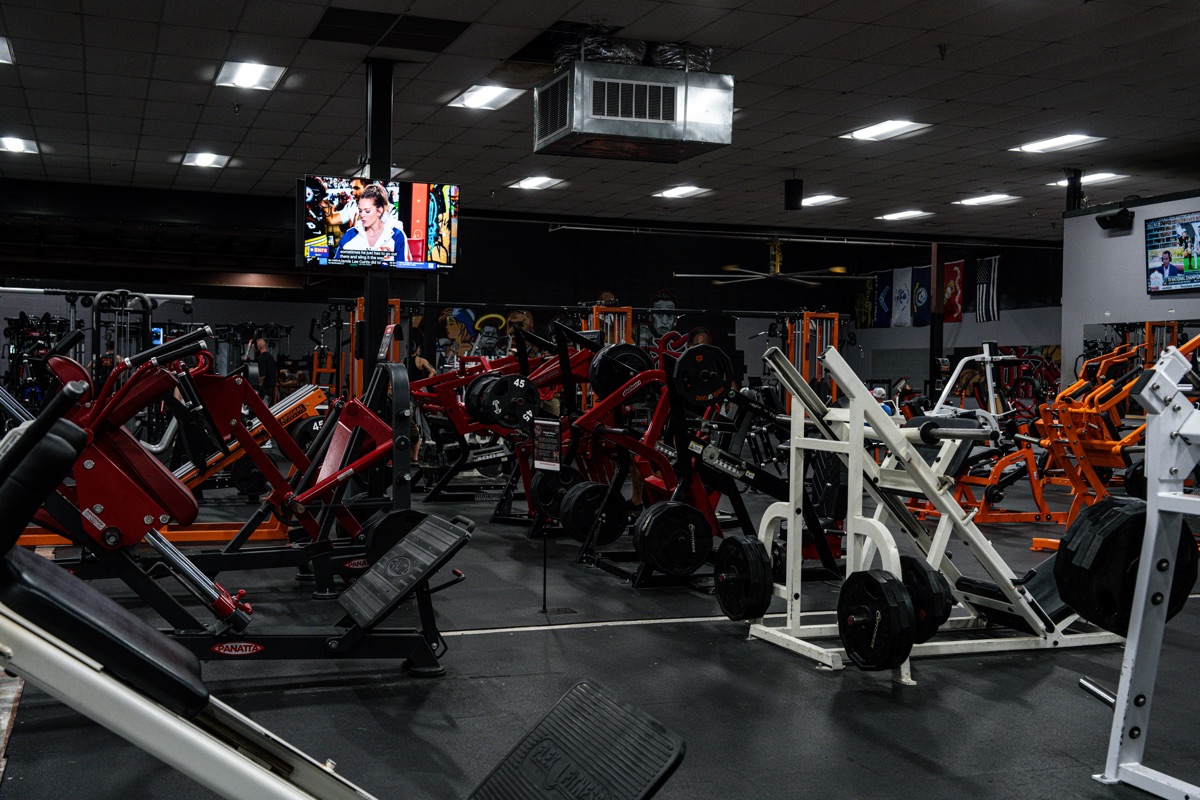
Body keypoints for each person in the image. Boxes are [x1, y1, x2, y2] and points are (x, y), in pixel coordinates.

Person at [333, 183, 412, 264]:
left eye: (367, 211)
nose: (362, 215)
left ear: (380, 211)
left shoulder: (397, 236)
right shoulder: (350, 235)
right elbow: (336, 269)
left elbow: (405, 272)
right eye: (360, 210)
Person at [250, 338, 276, 402]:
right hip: (270, 392)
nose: (254, 349)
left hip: (264, 393)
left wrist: (257, 392)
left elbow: (261, 377)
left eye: (255, 347)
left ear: (259, 347)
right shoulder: (271, 358)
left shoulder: (261, 359)